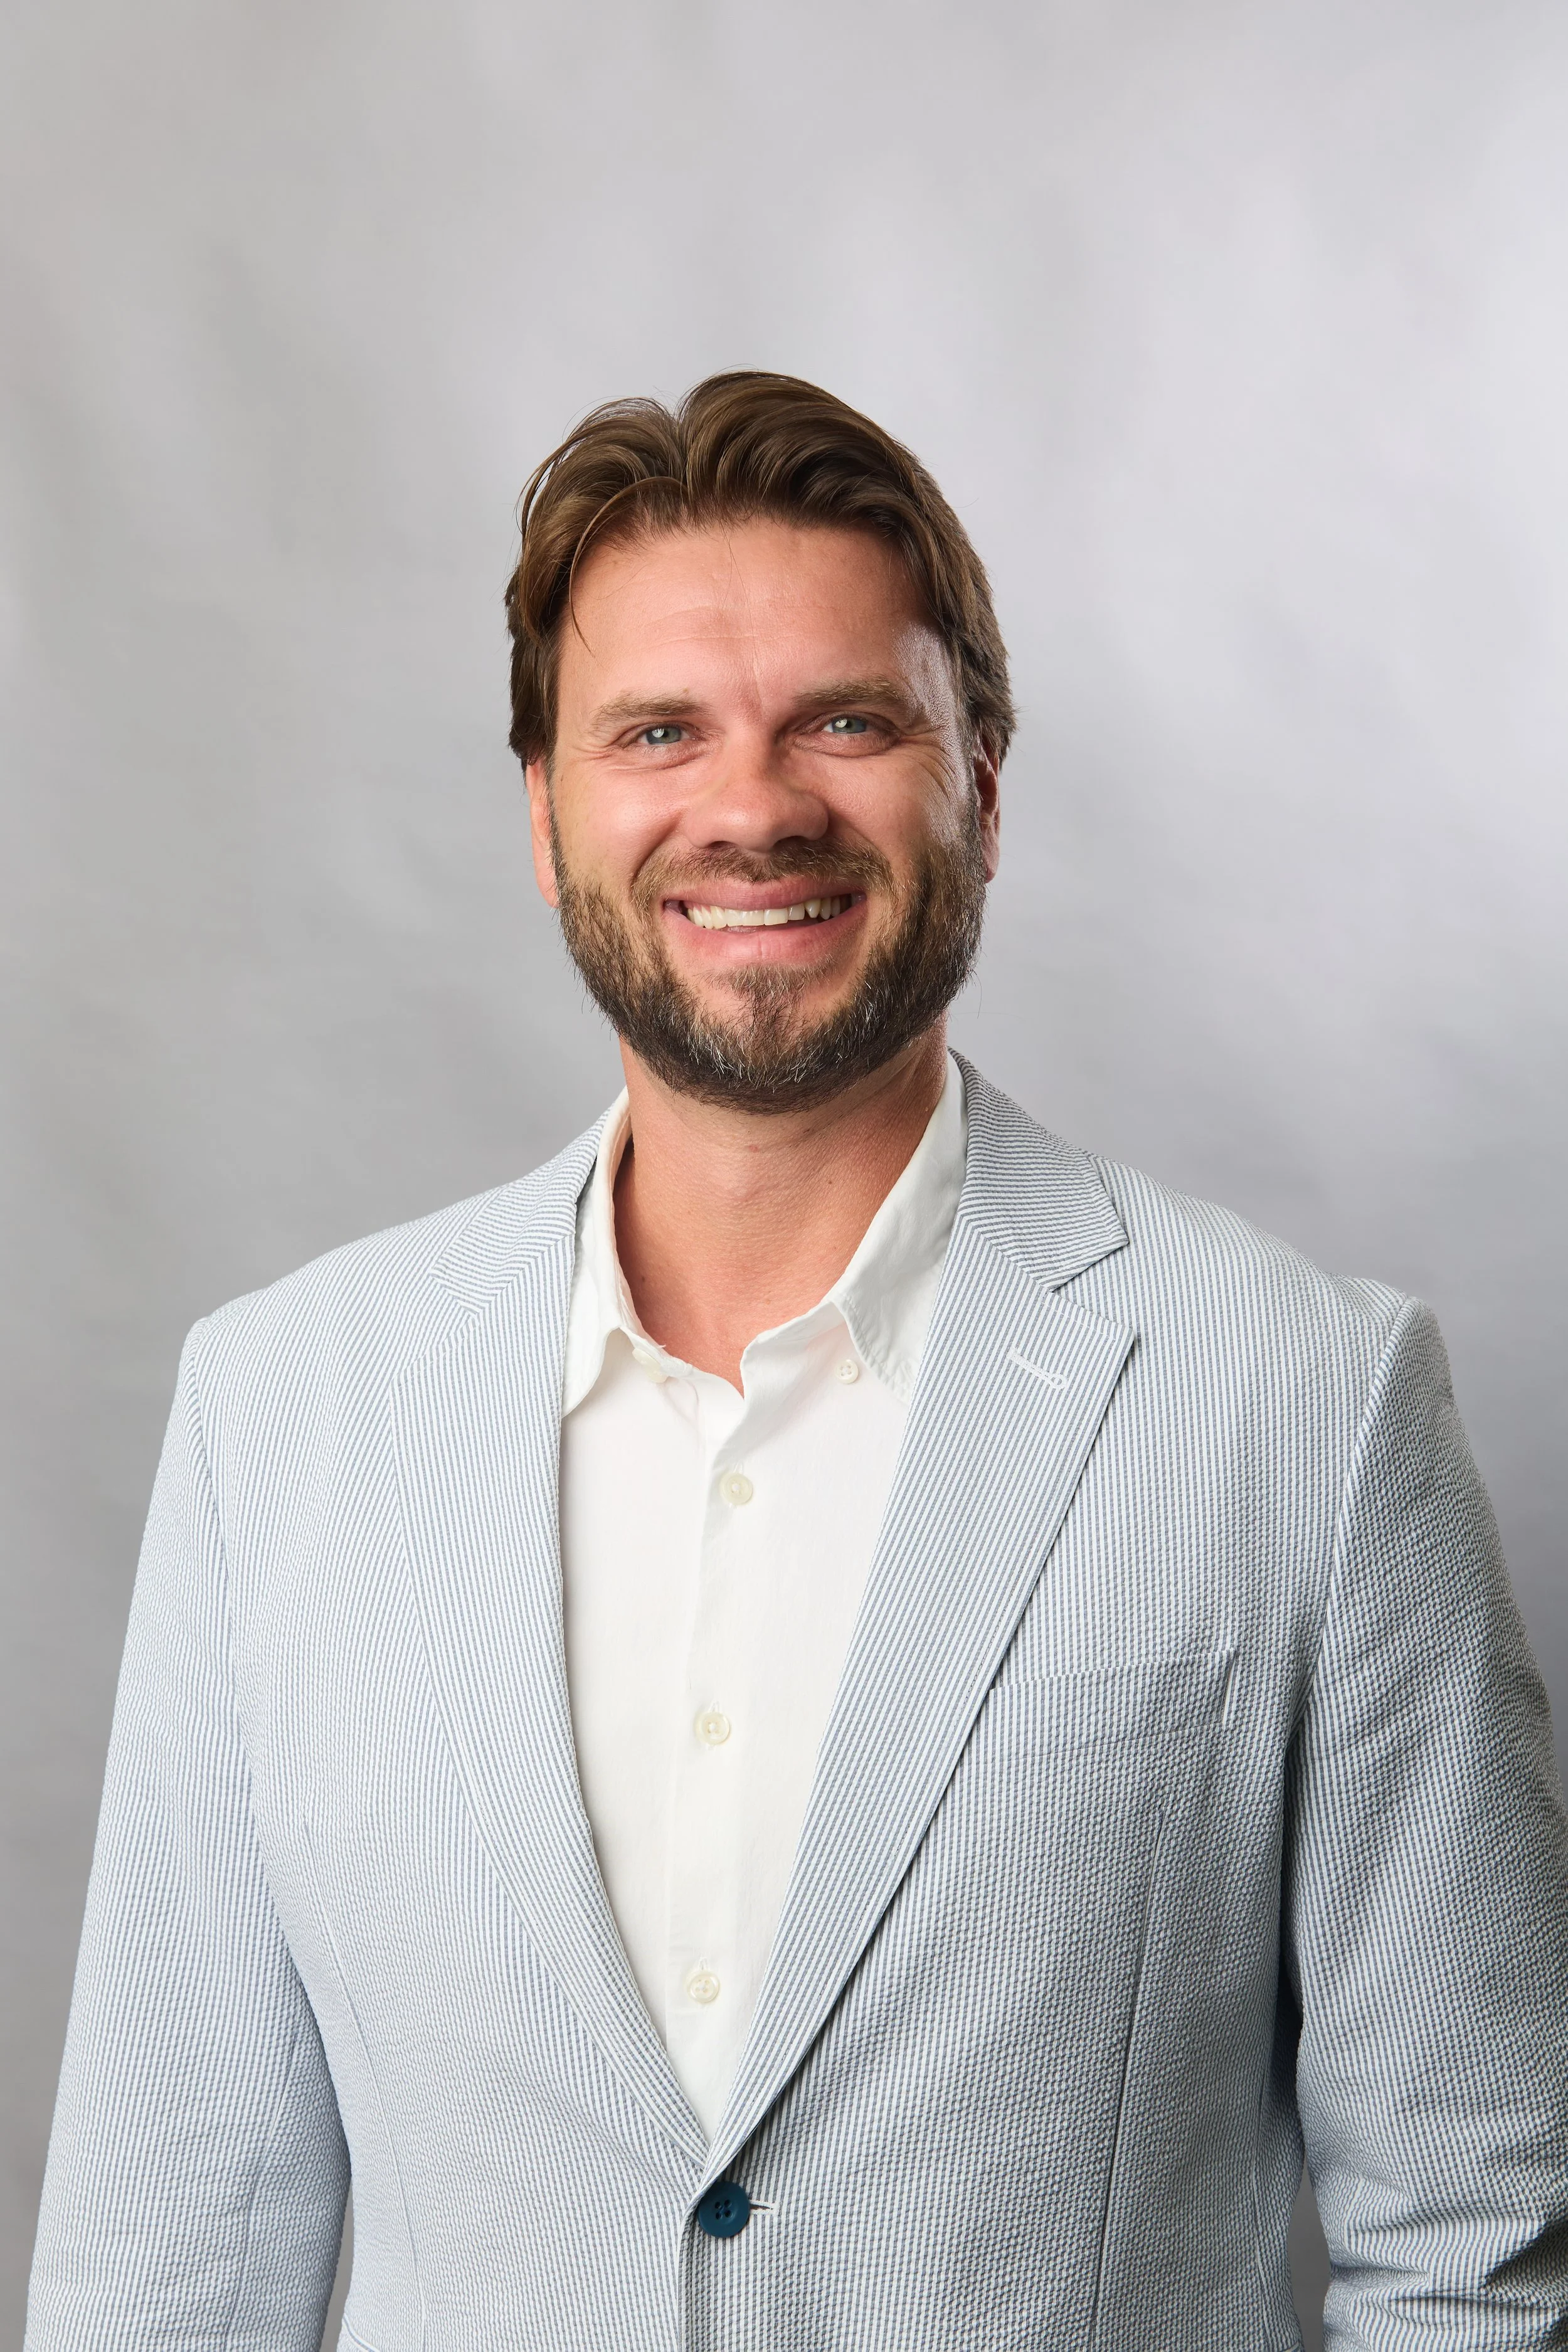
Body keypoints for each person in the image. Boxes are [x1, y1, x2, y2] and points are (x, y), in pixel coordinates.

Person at [26, 372, 1568, 2352]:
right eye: (655, 730)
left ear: (981, 789)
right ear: (544, 809)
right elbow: (163, 2262)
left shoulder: (1305, 1404)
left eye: (846, 719)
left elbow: (1471, 2245)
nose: (749, 805)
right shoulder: (286, 1415)